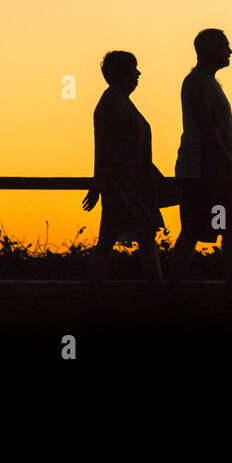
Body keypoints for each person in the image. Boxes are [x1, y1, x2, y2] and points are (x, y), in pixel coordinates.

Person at [81, 51, 166, 293]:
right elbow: (104, 146)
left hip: (131, 183)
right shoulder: (112, 103)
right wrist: (99, 182)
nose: (138, 74)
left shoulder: (118, 101)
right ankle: (154, 290)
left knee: (130, 236)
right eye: (133, 69)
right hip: (123, 186)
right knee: (120, 238)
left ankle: (153, 289)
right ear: (120, 73)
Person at [169, 29, 232, 288]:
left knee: (224, 225)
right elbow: (206, 125)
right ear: (209, 50)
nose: (230, 51)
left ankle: (229, 283)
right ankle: (174, 285)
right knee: (199, 227)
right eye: (225, 46)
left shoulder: (208, 82)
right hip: (201, 171)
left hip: (211, 172)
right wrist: (227, 162)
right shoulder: (197, 82)